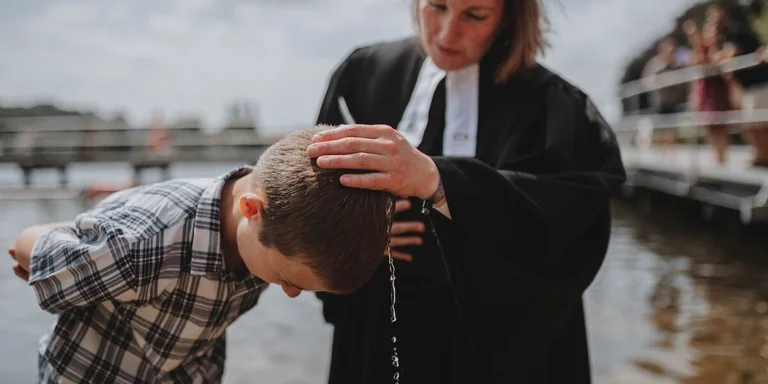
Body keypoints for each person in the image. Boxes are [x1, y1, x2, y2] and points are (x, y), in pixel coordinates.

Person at [310, 0, 627, 383]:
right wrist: (357, 233)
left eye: (474, 15)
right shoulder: (363, 76)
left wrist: (440, 182)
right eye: (436, 7)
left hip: (497, 348)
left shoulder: (552, 106)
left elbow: (571, 226)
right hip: (378, 330)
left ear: (510, 15)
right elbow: (313, 187)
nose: (446, 33)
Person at [7, 126, 394, 384]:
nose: (289, 293)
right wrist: (68, 242)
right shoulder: (143, 245)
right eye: (288, 281)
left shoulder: (272, 231)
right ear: (251, 211)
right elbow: (35, 250)